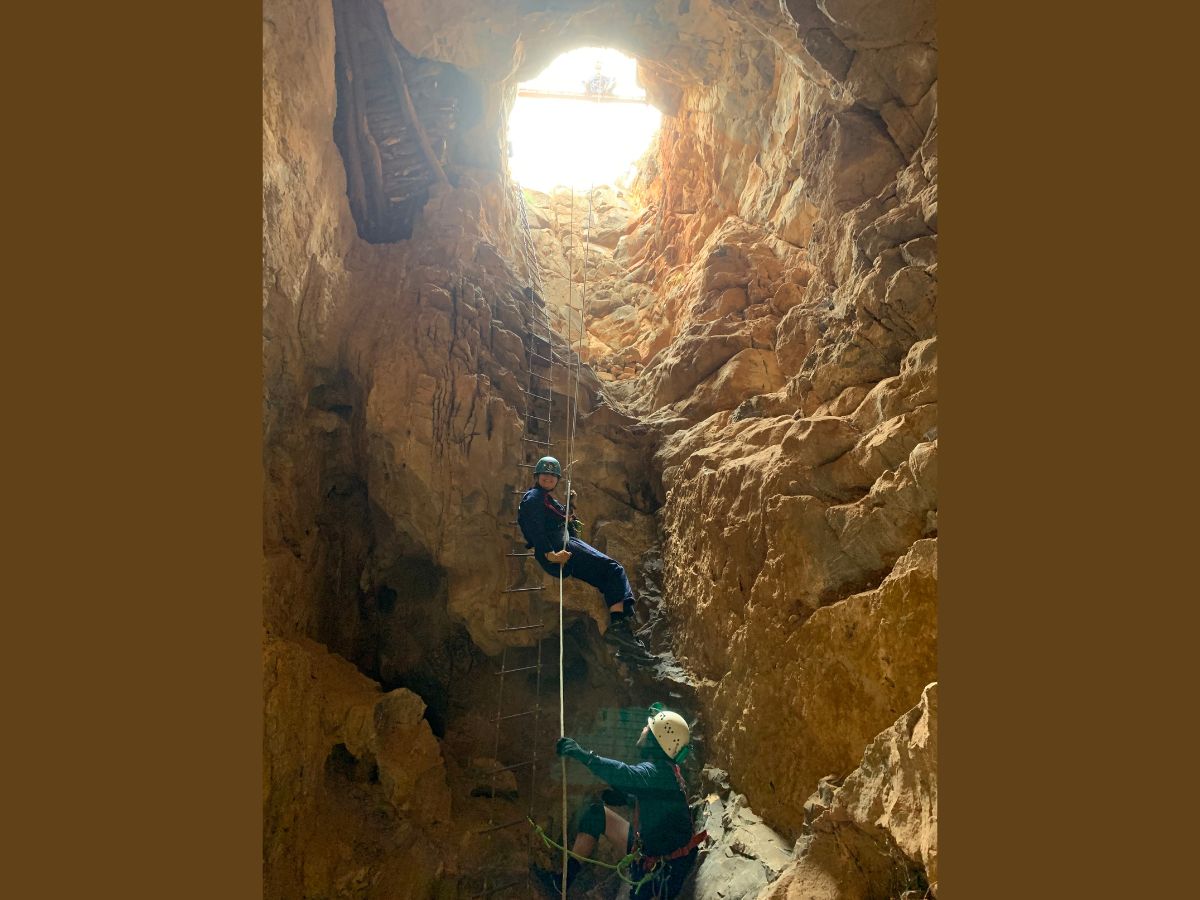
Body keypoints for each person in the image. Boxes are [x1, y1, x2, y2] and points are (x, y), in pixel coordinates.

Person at [532, 705, 706, 898]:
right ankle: (561, 883)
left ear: (657, 739)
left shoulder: (658, 773)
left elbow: (625, 774)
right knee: (596, 814)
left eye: (648, 728)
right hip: (653, 851)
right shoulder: (666, 771)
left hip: (665, 869)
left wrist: (583, 755)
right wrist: (625, 798)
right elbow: (658, 802)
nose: (643, 729)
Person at [517, 456, 654, 664]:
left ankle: (623, 638)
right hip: (560, 546)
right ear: (537, 476)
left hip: (564, 546)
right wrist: (550, 554)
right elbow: (535, 528)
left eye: (552, 475)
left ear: (556, 480)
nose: (548, 478)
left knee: (606, 578)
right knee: (614, 570)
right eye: (544, 475)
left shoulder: (545, 499)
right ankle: (618, 627)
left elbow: (560, 516)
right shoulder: (534, 498)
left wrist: (571, 506)